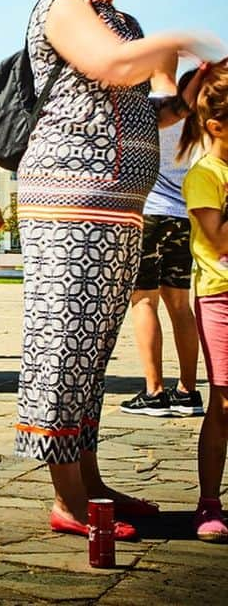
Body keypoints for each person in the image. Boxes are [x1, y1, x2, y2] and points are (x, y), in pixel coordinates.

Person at [14, 0, 224, 542]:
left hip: (118, 210)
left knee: (91, 354)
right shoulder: (63, 6)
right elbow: (107, 66)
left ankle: (92, 483)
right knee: (62, 347)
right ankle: (68, 501)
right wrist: (180, 39)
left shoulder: (121, 20)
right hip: (69, 204)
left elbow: (149, 112)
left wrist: (188, 89)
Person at [120, 70, 203, 417]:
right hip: (184, 216)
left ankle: (154, 391)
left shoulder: (150, 109)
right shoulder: (202, 119)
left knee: (144, 301)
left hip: (150, 213)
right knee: (181, 306)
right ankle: (188, 390)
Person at [179, 63, 228, 543]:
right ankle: (209, 502)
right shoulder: (205, 175)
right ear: (216, 127)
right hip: (220, 298)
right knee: (225, 402)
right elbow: (217, 240)